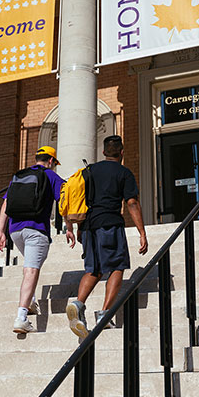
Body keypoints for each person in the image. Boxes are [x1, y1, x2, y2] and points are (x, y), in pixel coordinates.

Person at [66, 135, 148, 339]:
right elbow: (131, 203)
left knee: (93, 269)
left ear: (103, 152)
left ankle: (78, 303)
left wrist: (77, 227)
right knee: (117, 266)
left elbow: (78, 198)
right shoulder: (124, 173)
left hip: (88, 226)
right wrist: (142, 231)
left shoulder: (89, 171)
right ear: (122, 152)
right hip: (110, 224)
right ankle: (104, 314)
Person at [0, 146, 75, 334]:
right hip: (36, 229)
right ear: (51, 161)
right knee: (31, 270)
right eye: (55, 164)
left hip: (15, 231)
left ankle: (30, 301)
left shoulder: (19, 175)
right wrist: (69, 227)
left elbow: (6, 203)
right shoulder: (50, 175)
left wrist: (1, 231)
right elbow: (64, 202)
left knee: (30, 264)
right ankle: (21, 318)